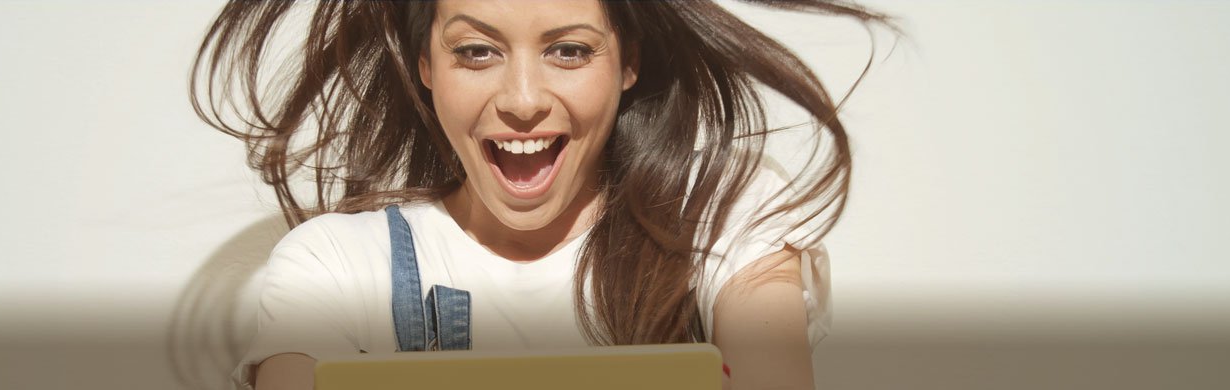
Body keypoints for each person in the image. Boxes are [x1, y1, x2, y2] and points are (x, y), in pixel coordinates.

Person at [191, 1, 893, 389]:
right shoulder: (333, 267)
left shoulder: (724, 215)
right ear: (426, 67)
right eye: (476, 52)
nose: (523, 101)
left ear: (629, 62)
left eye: (569, 50)